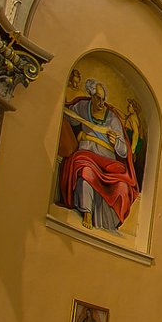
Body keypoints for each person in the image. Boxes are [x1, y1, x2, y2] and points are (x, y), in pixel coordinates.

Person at [57, 80, 141, 232]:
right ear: (91, 95)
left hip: (108, 163)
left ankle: (108, 224)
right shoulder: (82, 108)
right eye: (97, 98)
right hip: (87, 155)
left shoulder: (112, 119)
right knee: (86, 171)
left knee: (122, 186)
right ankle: (87, 213)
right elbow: (69, 115)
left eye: (103, 99)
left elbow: (123, 151)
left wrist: (116, 142)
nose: (101, 103)